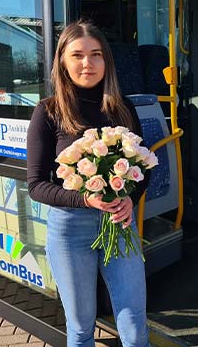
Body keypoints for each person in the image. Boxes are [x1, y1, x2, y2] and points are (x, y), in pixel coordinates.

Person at [27, 20, 150, 347]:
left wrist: (130, 199)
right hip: (70, 231)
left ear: (106, 61)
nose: (87, 63)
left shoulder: (122, 108)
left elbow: (144, 166)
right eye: (77, 55)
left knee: (135, 327)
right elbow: (36, 185)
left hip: (119, 225)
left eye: (96, 54)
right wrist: (84, 200)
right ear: (63, 61)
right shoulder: (48, 112)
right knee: (81, 328)